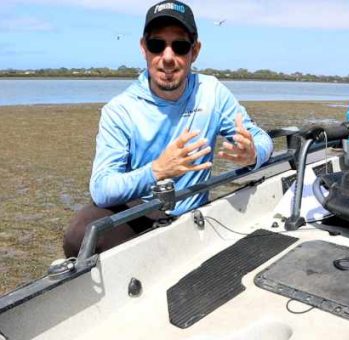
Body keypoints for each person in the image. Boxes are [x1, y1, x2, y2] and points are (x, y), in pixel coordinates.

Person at [63, 0, 273, 257]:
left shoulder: (212, 93)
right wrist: (158, 170)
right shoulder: (120, 110)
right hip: (141, 213)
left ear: (194, 51)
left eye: (180, 46)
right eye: (157, 45)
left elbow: (262, 138)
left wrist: (252, 155)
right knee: (80, 233)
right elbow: (102, 188)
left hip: (194, 218)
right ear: (144, 49)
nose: (168, 57)